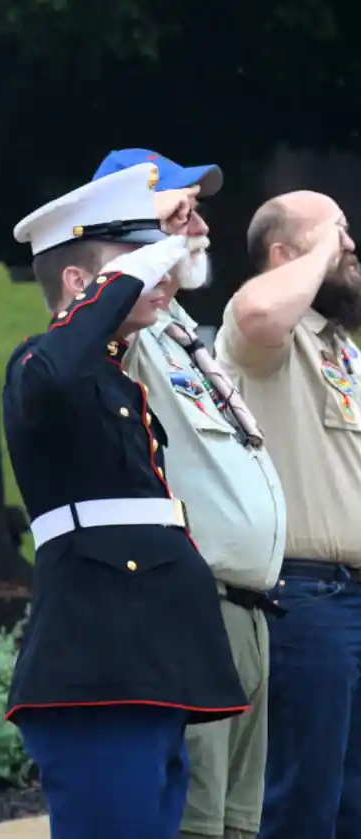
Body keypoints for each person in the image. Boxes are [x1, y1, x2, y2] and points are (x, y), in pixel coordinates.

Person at [3, 161, 250, 839]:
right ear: (83, 285)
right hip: (99, 662)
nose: (159, 276)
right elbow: (55, 371)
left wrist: (164, 249)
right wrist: (149, 258)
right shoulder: (40, 365)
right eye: (134, 261)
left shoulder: (117, 380)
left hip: (151, 656)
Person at [93, 149, 287, 839]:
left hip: (249, 611)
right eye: (180, 210)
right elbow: (95, 301)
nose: (197, 224)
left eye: (194, 211)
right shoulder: (130, 329)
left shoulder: (178, 336)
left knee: (237, 822)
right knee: (194, 822)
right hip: (193, 607)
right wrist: (143, 231)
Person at [215, 190, 361, 839]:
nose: (350, 245)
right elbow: (256, 314)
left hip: (349, 599)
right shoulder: (268, 335)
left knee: (351, 802)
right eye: (336, 234)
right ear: (284, 254)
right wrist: (324, 247)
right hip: (306, 596)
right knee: (302, 800)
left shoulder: (341, 343)